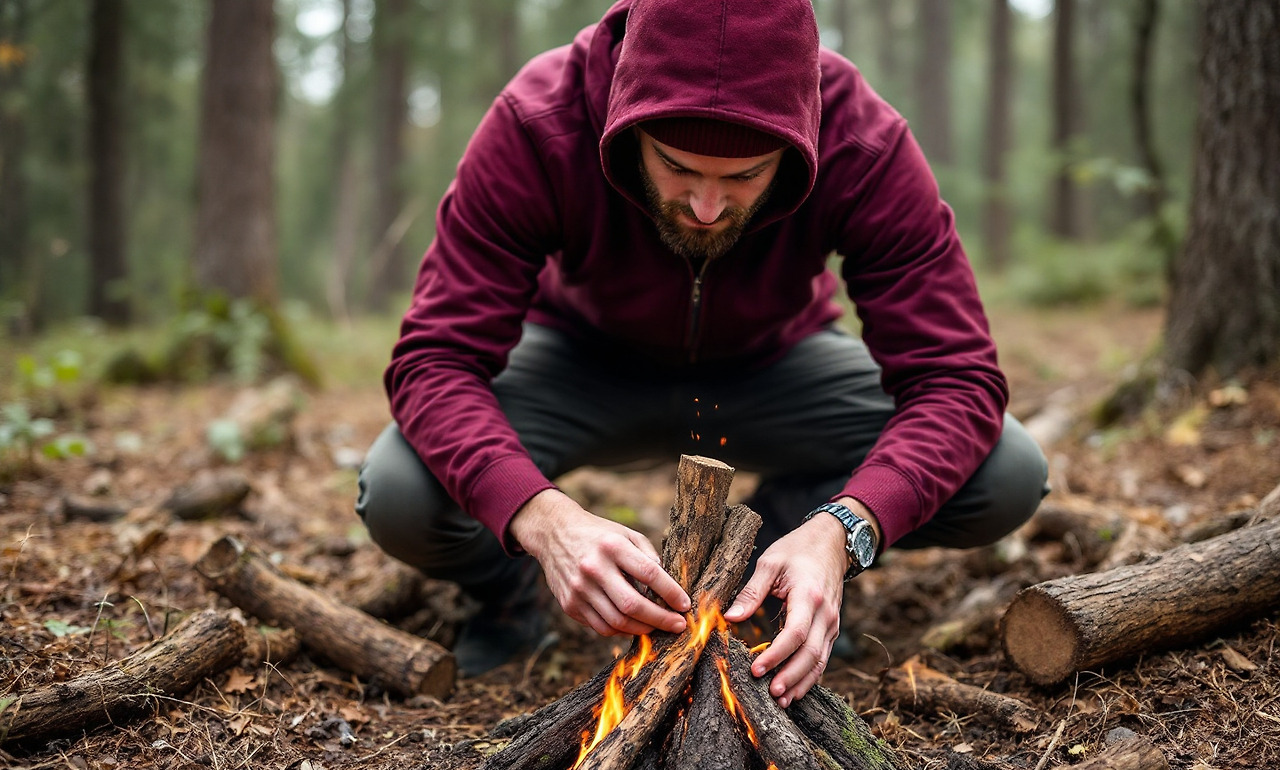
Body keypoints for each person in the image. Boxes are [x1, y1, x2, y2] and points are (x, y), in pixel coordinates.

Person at [357, 0, 1048, 706]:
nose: (709, 207)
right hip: (579, 362)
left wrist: (844, 527)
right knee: (402, 492)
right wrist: (542, 519)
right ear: (626, 121)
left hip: (775, 364)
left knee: (1005, 472)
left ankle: (778, 561)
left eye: (747, 175)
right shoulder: (541, 121)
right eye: (677, 166)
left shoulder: (861, 139)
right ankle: (507, 592)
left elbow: (956, 378)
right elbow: (435, 358)